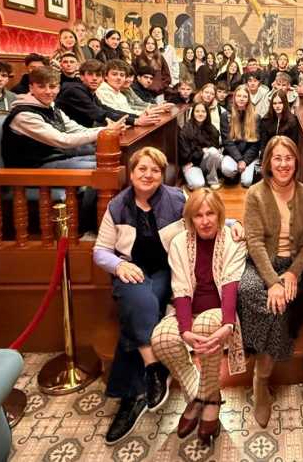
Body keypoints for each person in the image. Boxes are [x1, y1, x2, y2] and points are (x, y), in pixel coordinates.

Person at [92, 148, 187, 444]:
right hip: (131, 270)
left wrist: (234, 226)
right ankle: (154, 368)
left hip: (165, 271)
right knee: (139, 302)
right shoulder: (117, 206)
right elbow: (100, 251)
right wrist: (118, 265)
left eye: (155, 170)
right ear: (131, 173)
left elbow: (205, 218)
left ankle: (130, 399)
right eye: (142, 169)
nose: (148, 175)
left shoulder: (177, 199)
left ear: (162, 174)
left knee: (136, 314)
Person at [150, 189, 248, 445]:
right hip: (188, 310)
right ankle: (205, 396)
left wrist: (228, 324)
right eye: (198, 215)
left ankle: (205, 403)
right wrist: (184, 329)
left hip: (220, 312)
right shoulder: (179, 243)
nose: (205, 221)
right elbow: (181, 288)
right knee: (161, 339)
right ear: (190, 219)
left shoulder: (233, 240)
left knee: (205, 326)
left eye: (210, 214)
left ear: (220, 215)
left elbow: (230, 284)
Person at [238, 136, 303, 427]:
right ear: (268, 163)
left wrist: (292, 274)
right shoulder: (256, 194)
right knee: (248, 289)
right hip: (262, 262)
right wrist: (273, 282)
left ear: (296, 161)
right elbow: (255, 242)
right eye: (277, 158)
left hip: (292, 267)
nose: (283, 164)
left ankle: (261, 377)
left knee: (283, 300)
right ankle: (262, 367)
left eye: (289, 158)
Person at [2, 66, 125, 169]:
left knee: (117, 160)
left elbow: (76, 129)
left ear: (58, 88)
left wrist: (107, 129)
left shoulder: (51, 106)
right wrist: (104, 131)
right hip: (33, 169)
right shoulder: (24, 115)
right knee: (106, 168)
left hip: (56, 157)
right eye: (41, 86)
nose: (48, 91)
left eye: (52, 87)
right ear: (31, 88)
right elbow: (62, 140)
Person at [57, 59, 145, 128]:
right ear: (82, 77)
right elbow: (99, 113)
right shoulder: (75, 90)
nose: (94, 78)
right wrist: (135, 121)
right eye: (90, 74)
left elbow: (106, 109)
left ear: (102, 79)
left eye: (98, 75)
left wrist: (137, 117)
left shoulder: (89, 91)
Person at [221, 86, 260, 188]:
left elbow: (255, 145)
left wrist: (245, 161)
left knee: (247, 182)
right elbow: (227, 142)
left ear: (248, 99)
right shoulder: (226, 115)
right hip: (233, 154)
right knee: (227, 169)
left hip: (249, 156)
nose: (241, 99)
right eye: (239, 96)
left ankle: (241, 171)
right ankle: (236, 171)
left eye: (244, 96)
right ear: (234, 97)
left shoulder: (255, 117)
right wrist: (239, 160)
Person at [179, 101, 223, 190]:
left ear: (207, 114)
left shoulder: (212, 129)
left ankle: (212, 180)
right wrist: (202, 150)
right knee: (198, 185)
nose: (200, 114)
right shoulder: (185, 130)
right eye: (197, 111)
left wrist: (200, 151)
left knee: (213, 152)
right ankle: (198, 177)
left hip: (204, 162)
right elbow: (185, 155)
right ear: (193, 113)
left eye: (203, 111)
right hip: (191, 164)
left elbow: (215, 148)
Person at [258, 90, 299, 155]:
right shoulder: (266, 120)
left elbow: (293, 144)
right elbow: (263, 144)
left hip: (286, 153)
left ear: (285, 103)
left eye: (280, 103)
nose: (277, 106)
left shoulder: (292, 121)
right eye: (274, 103)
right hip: (270, 153)